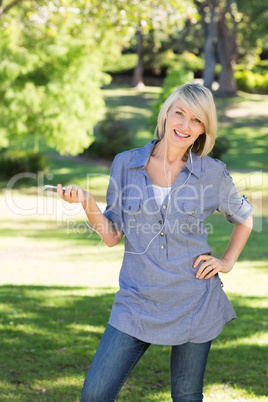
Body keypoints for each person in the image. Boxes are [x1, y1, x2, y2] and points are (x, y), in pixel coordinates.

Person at [57, 83, 253, 402]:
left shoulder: (212, 173)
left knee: (187, 396)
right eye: (179, 113)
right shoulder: (126, 164)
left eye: (196, 120)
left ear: (204, 128)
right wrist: (86, 202)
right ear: (166, 113)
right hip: (137, 300)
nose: (184, 125)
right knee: (95, 393)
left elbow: (245, 217)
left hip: (193, 299)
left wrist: (227, 261)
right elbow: (111, 235)